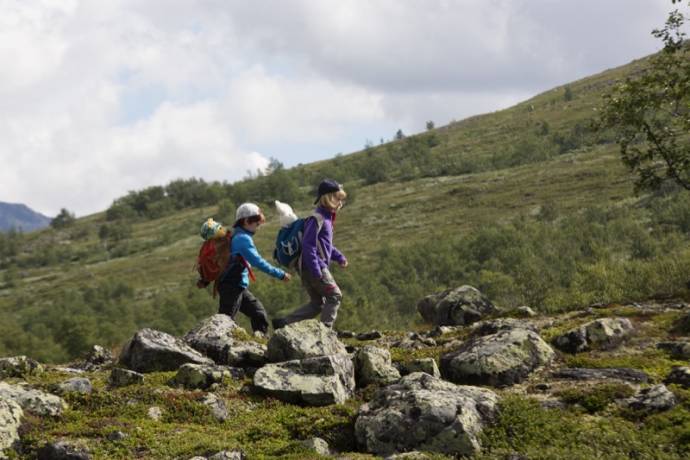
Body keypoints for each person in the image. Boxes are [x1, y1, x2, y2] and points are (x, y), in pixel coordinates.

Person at [273, 179, 347, 329]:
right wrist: (316, 270)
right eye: (338, 198)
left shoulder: (324, 219)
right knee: (334, 296)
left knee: (318, 304)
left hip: (308, 268)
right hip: (314, 267)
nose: (340, 203)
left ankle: (284, 323)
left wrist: (339, 257)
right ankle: (325, 332)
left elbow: (325, 245)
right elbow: (309, 246)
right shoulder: (317, 219)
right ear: (328, 198)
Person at [217, 203, 291, 336]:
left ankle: (261, 343)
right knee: (225, 321)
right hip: (231, 286)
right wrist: (280, 274)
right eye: (256, 224)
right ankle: (214, 349)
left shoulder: (237, 236)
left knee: (258, 313)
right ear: (246, 221)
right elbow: (258, 262)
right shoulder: (242, 239)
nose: (258, 228)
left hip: (236, 286)